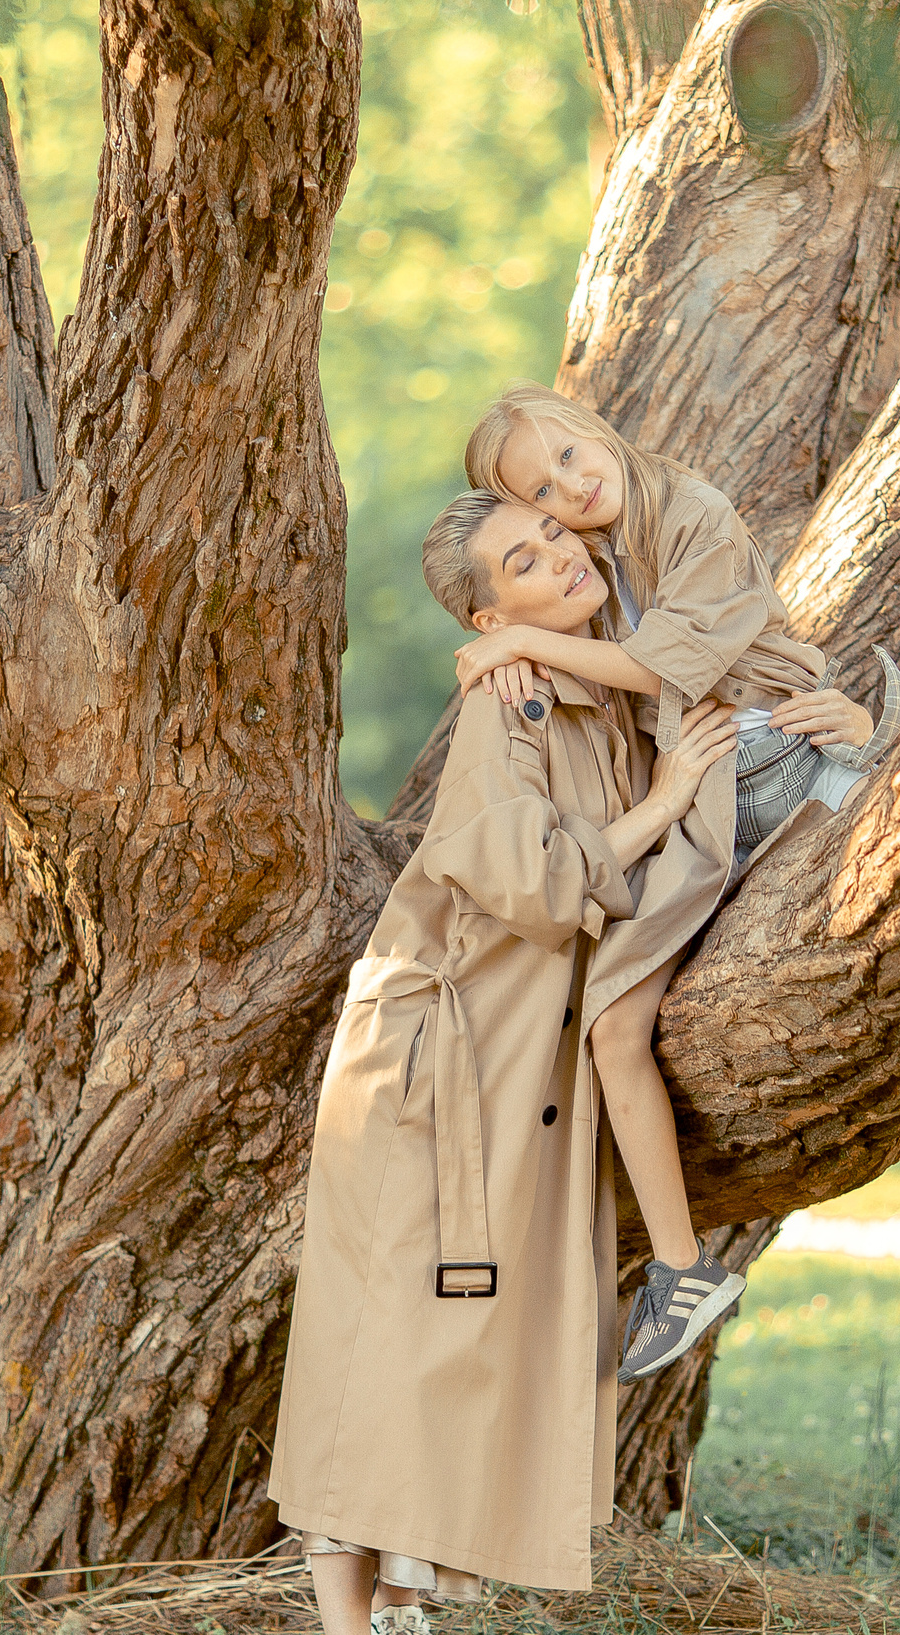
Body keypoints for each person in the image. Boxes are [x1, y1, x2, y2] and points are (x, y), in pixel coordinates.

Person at [460, 383, 900, 1214]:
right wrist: (511, 644)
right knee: (615, 1022)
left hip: (789, 763)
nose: (570, 487)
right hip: (704, 812)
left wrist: (522, 639)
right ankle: (674, 1262)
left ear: (595, 430)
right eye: (541, 493)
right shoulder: (581, 568)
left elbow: (671, 664)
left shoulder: (692, 514)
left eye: (568, 455)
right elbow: (506, 587)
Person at [269, 493, 742, 1634]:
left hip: (508, 1061)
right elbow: (519, 879)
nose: (561, 558)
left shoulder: (592, 682)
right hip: (433, 1063)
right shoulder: (505, 702)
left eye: (558, 537)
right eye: (524, 562)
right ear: (492, 612)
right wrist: (668, 799)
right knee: (382, 1338)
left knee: (453, 1344)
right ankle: (354, 1624)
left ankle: (404, 1607)